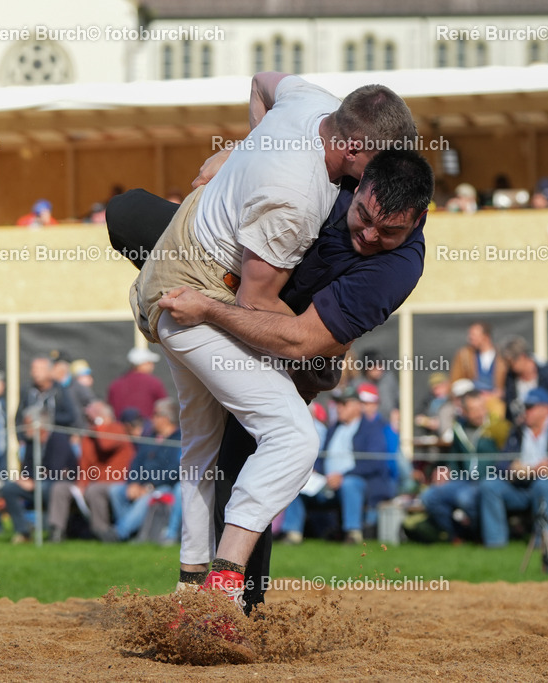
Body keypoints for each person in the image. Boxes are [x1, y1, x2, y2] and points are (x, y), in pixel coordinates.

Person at [125, 69, 418, 607]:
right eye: (372, 166)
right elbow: (254, 304)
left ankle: (191, 589)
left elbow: (263, 82)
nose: (371, 180)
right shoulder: (297, 199)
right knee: (294, 439)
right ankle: (223, 586)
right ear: (353, 147)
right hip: (196, 299)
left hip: (169, 275)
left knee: (202, 450)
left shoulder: (314, 100)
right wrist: (318, 363)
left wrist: (243, 149)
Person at [281, 386, 392, 544]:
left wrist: (343, 476)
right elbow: (322, 457)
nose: (338, 408)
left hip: (359, 483)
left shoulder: (371, 429)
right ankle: (292, 533)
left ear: (356, 405)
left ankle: (353, 533)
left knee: (350, 484)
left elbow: (373, 461)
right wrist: (314, 470)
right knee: (298, 484)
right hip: (326, 482)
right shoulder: (334, 428)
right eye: (337, 404)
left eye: (343, 404)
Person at [478, 388, 548, 548]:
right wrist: (512, 469)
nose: (526, 411)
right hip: (520, 485)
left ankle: (543, 544)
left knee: (543, 484)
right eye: (525, 407)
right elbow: (501, 464)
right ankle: (495, 544)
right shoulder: (517, 431)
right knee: (489, 485)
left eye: (530, 407)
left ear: (546, 409)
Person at [420, 389, 509, 543]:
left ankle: (477, 534)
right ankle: (456, 534)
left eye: (481, 408)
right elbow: (454, 459)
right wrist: (445, 470)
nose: (479, 413)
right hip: (464, 479)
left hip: (488, 480)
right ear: (464, 412)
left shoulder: (498, 427)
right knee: (429, 496)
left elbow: (507, 458)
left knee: (465, 498)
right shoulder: (458, 429)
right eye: (474, 410)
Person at [48, 401, 135, 542]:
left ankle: (101, 530)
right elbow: (85, 464)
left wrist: (98, 422)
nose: (90, 421)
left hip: (115, 482)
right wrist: (81, 484)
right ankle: (57, 530)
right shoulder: (90, 435)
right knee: (60, 488)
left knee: (94, 490)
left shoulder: (117, 428)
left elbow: (106, 444)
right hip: (93, 483)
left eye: (94, 417)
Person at [107, 398, 182, 542]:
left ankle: (119, 532)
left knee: (148, 497)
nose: (151, 418)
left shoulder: (179, 439)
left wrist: (150, 486)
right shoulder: (150, 437)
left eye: (156, 415)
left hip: (165, 486)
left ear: (166, 418)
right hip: (142, 483)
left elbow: (175, 470)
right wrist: (133, 483)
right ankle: (132, 532)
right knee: (115, 491)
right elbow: (137, 462)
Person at [1, 407, 78, 544]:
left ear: (40, 426)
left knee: (46, 488)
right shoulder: (31, 442)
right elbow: (27, 468)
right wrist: (25, 479)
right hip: (38, 484)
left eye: (27, 425)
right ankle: (23, 531)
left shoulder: (58, 439)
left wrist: (34, 481)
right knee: (9, 488)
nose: (24, 429)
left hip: (60, 485)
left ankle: (56, 531)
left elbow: (57, 471)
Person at [501, 336, 548, 425]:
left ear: (522, 357)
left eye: (511, 363)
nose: (509, 367)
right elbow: (509, 407)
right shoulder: (511, 379)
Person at [15, 356, 81, 444]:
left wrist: (46, 419)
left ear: (50, 371)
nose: (35, 372)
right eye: (33, 369)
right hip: (32, 445)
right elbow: (19, 418)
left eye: (40, 369)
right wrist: (21, 439)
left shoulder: (60, 391)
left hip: (55, 443)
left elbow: (70, 416)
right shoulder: (27, 391)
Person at [107, 348, 168, 420]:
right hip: (147, 428)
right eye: (149, 362)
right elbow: (165, 407)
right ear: (142, 364)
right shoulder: (154, 382)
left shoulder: (115, 384)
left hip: (120, 429)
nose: (152, 366)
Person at [451, 321, 507, 394]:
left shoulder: (502, 356)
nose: (470, 337)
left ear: (486, 336)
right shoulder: (464, 355)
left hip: (496, 399)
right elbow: (455, 380)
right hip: (472, 399)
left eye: (473, 334)